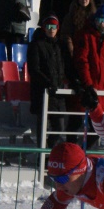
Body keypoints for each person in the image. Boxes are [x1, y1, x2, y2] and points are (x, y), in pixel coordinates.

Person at [27, 15, 65, 146]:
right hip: (42, 93)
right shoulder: (36, 45)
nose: (51, 29)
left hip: (58, 94)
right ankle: (41, 157)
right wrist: (48, 83)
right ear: (44, 28)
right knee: (42, 127)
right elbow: (34, 69)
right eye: (49, 26)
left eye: (54, 26)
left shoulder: (60, 46)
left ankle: (50, 152)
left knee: (59, 127)